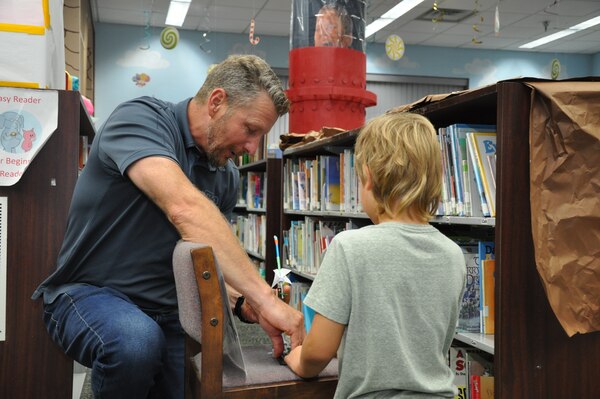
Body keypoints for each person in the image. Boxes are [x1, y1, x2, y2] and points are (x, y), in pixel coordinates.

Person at [32, 54, 305, 399]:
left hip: (167, 313)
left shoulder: (226, 176)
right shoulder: (140, 120)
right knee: (135, 341)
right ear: (217, 102)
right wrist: (265, 298)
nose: (252, 147)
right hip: (88, 294)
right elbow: (183, 207)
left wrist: (242, 303)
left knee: (192, 382)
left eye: (260, 136)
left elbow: (206, 257)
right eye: (250, 130)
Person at [284, 112, 467, 398]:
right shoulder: (453, 254)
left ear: (368, 177)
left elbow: (319, 352)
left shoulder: (349, 247)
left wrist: (297, 358)